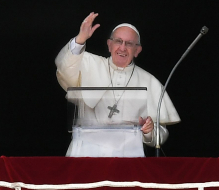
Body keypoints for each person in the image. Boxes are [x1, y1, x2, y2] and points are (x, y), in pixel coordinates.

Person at [56, 12, 180, 157]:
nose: (122, 48)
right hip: (86, 150)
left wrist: (149, 131)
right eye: (118, 41)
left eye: (129, 44)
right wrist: (80, 39)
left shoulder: (150, 81)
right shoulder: (89, 63)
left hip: (128, 153)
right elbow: (64, 68)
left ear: (137, 51)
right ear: (109, 45)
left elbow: (161, 134)